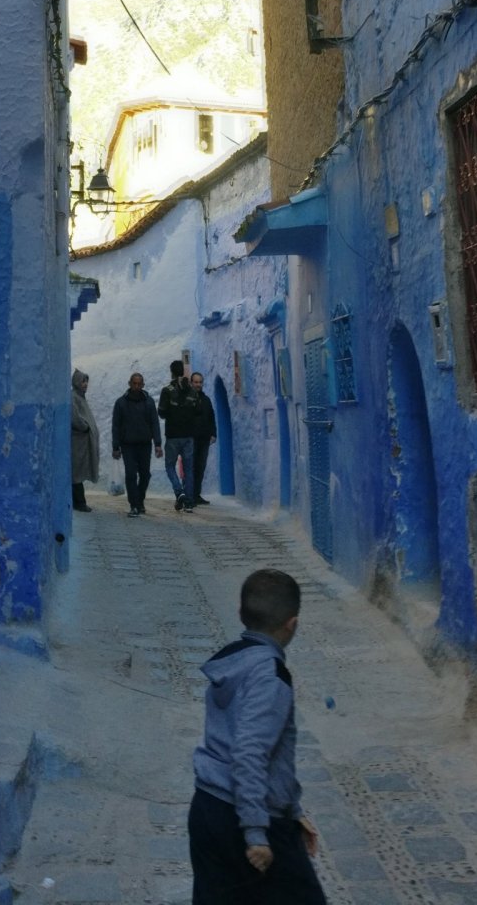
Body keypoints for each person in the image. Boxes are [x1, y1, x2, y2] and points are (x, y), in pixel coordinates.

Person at [188, 569, 325, 905]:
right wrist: (256, 833)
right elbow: (249, 752)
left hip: (208, 808)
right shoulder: (270, 677)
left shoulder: (234, 661)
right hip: (247, 818)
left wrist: (293, 811)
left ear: (241, 614)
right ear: (292, 624)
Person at [111, 372, 162, 518]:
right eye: (134, 383)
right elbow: (116, 426)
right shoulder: (121, 403)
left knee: (145, 475)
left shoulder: (149, 402)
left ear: (143, 385)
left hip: (145, 445)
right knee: (131, 474)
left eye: (139, 384)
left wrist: (158, 444)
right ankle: (134, 505)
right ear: (129, 384)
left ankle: (140, 500)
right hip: (127, 445)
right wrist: (116, 447)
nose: (137, 386)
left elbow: (155, 423)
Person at [158, 359, 200, 512]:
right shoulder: (192, 391)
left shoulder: (167, 390)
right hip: (188, 435)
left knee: (170, 466)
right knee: (188, 469)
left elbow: (161, 412)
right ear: (183, 371)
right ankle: (189, 502)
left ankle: (179, 491)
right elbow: (198, 411)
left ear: (172, 372)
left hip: (173, 435)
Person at [71, 369, 99, 512]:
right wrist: (85, 427)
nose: (85, 384)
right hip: (78, 443)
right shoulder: (73, 397)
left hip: (82, 443)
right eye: (83, 381)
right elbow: (74, 418)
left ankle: (79, 502)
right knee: (76, 473)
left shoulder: (81, 398)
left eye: (86, 381)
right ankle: (79, 502)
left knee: (78, 472)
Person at [189, 371, 218, 505]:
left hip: (204, 440)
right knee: (191, 467)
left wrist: (213, 433)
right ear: (191, 383)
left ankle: (196, 495)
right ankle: (189, 495)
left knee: (200, 467)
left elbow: (211, 417)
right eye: (196, 382)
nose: (198, 385)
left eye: (200, 382)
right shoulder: (187, 400)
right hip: (191, 439)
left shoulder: (206, 400)